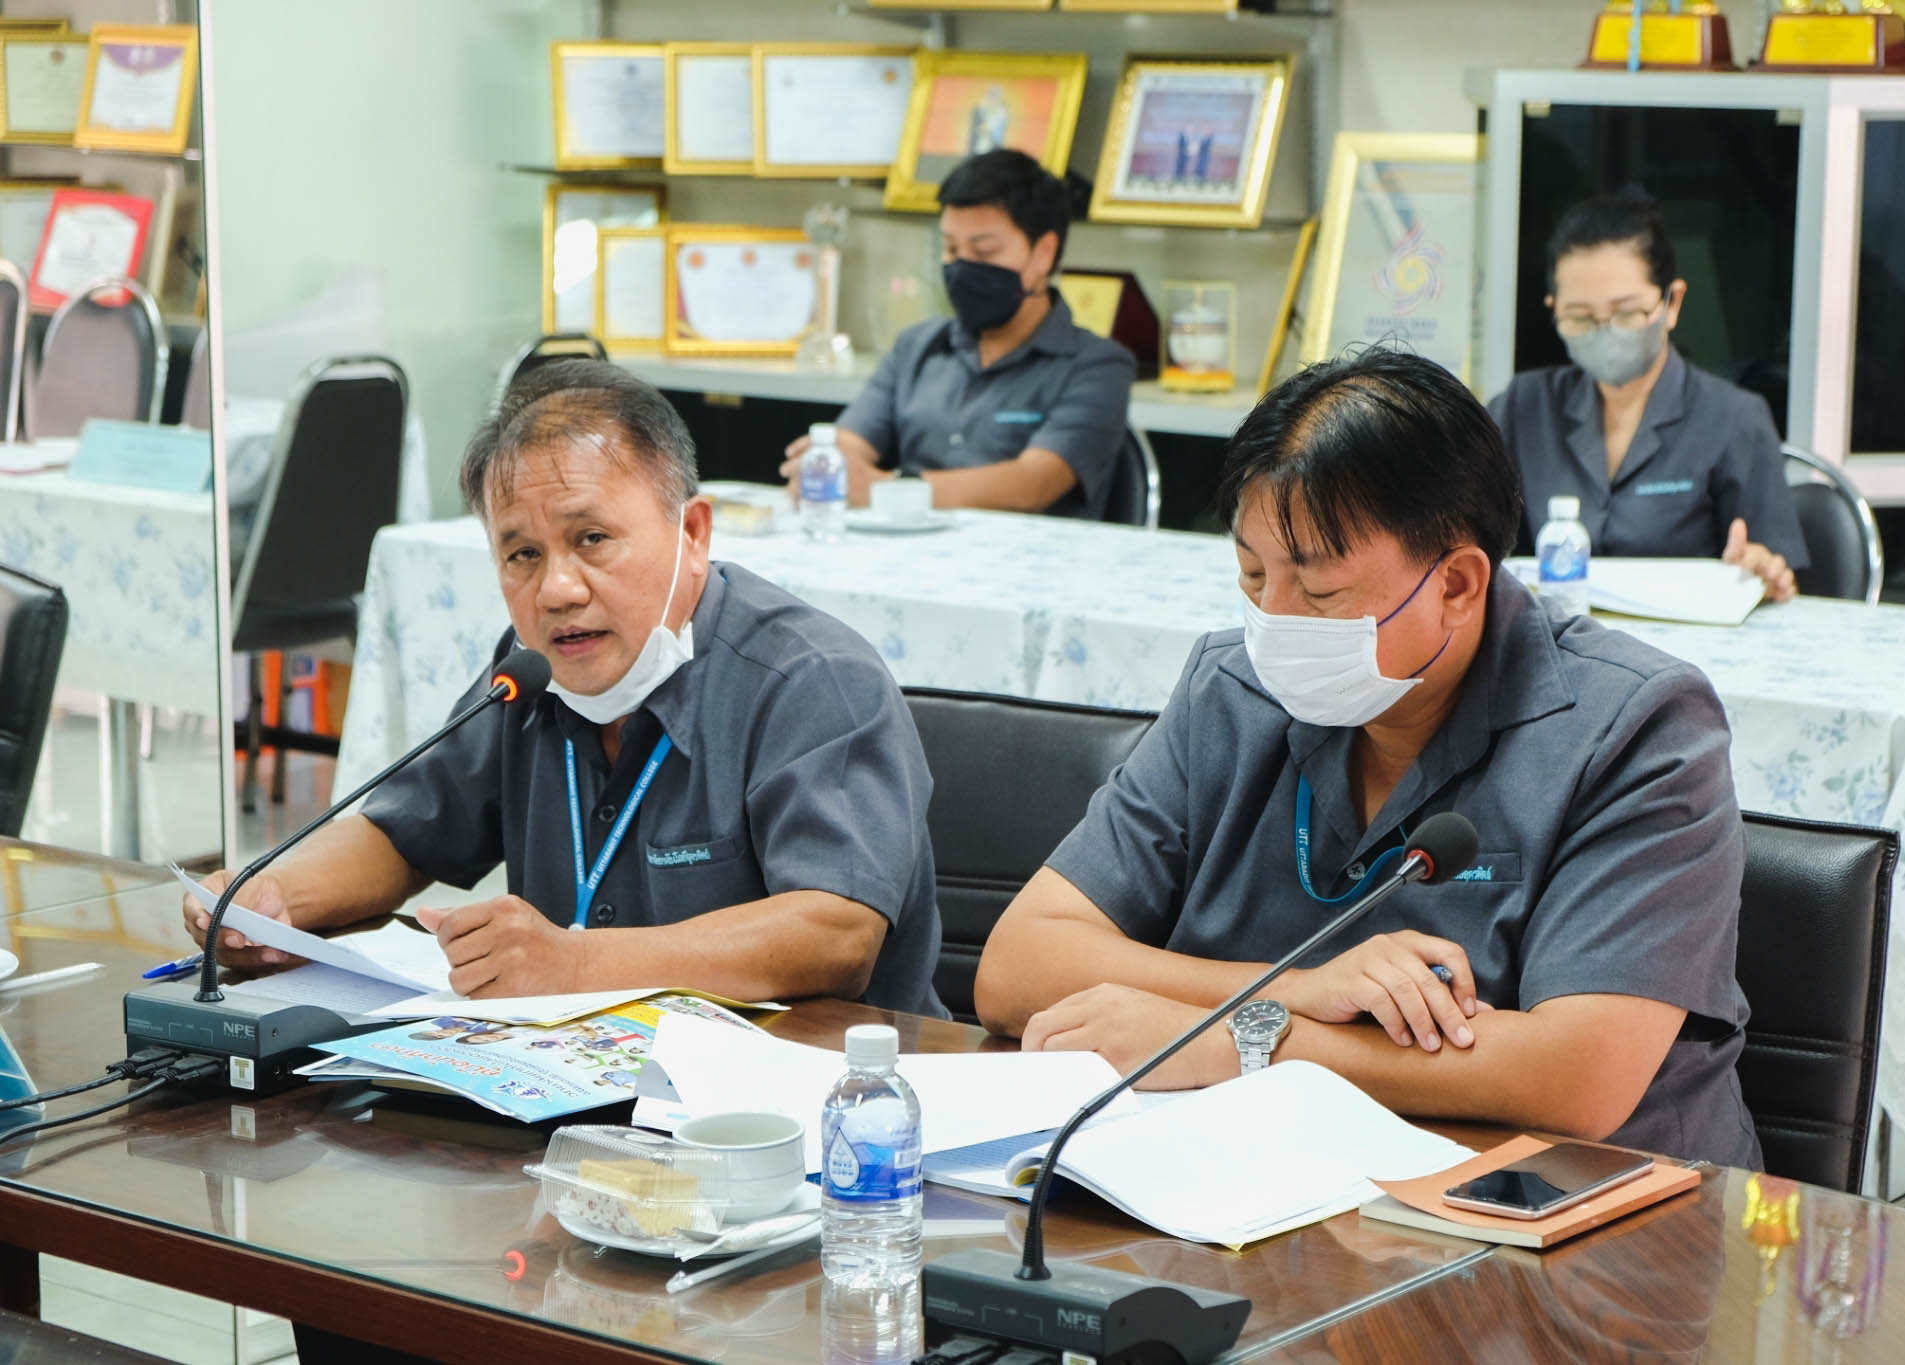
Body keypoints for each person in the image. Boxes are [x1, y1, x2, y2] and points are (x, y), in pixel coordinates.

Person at [974, 346, 1761, 1168]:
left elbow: (1577, 1076)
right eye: (1251, 576)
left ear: (1457, 583)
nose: (1274, 620)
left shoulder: (1637, 724)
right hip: (1274, 1183)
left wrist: (1245, 1042)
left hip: (1578, 1222)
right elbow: (1019, 962)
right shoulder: (1232, 689)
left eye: (1317, 592)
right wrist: (1296, 992)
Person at [182, 360, 944, 1017]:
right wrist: (275, 897)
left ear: (694, 532)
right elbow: (403, 831)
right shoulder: (530, 675)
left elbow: (835, 932)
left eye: (591, 539)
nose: (558, 590)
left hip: (819, 1113)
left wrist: (575, 964)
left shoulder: (811, 679)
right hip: (584, 1097)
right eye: (520, 554)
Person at [779, 149, 1136, 520]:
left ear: (1043, 254)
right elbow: (850, 442)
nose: (961, 266)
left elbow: (1034, 483)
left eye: (983, 251)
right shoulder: (916, 347)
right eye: (950, 248)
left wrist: (886, 488)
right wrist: (824, 463)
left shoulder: (1099, 366)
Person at [1490, 190, 1807, 603]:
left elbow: (1783, 587)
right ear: (1554, 309)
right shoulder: (1523, 407)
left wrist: (1761, 572)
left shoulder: (1734, 418)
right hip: (1558, 649)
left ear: (1671, 302)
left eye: (1626, 314)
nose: (1605, 332)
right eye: (1581, 317)